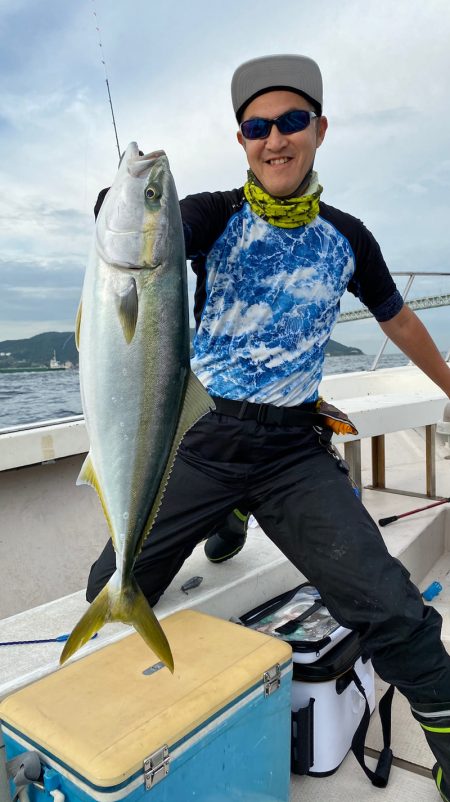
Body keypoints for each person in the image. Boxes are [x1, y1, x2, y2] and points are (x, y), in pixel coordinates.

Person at [87, 54, 450, 800]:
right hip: (201, 441)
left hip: (291, 453)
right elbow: (148, 242)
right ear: (242, 140)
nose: (274, 140)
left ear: (319, 130)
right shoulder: (212, 214)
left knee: (394, 610)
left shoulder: (347, 236)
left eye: (290, 122)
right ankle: (227, 516)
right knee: (111, 589)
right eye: (257, 127)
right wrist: (119, 206)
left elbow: (399, 318)